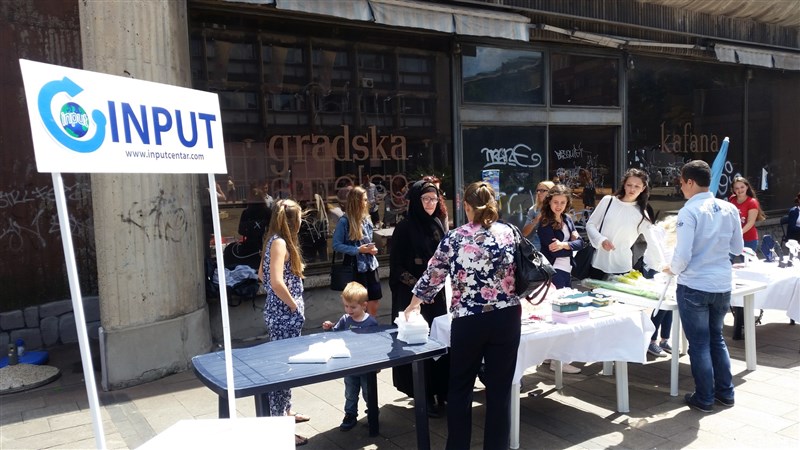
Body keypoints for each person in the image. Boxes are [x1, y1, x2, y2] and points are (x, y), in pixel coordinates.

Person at [404, 181, 521, 450]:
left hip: (469, 319)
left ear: (466, 206)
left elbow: (433, 276)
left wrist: (413, 304)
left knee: (460, 387)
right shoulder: (509, 232)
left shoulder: (456, 237)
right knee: (500, 390)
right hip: (507, 317)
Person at [664, 160, 743, 413]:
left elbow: (683, 255)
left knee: (699, 344)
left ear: (689, 182)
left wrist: (672, 268)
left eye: (681, 182)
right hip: (722, 283)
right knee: (716, 339)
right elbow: (738, 248)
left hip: (695, 284)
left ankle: (705, 397)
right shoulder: (729, 207)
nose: (680, 187)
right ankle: (725, 393)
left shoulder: (689, 211)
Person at [389, 179, 449, 416]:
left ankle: (442, 391)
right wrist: (421, 290)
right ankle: (424, 395)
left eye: (434, 199)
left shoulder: (437, 224)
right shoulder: (404, 228)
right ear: (415, 201)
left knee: (440, 343)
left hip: (438, 295)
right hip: (412, 297)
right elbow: (396, 267)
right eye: (425, 199)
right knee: (419, 346)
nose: (430, 203)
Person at [257, 199, 310, 446]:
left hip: (282, 314)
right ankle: (279, 424)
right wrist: (292, 305)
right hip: (283, 315)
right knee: (281, 370)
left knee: (287, 367)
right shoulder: (279, 243)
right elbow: (276, 281)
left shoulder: (274, 240)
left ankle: (286, 411)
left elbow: (261, 274)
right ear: (294, 220)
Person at [536, 184, 585, 374]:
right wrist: (570, 244)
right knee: (560, 314)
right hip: (555, 271)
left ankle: (552, 356)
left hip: (566, 269)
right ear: (549, 202)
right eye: (555, 202)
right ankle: (559, 361)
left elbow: (581, 243)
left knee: (560, 314)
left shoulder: (567, 219)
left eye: (562, 202)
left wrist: (564, 245)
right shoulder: (545, 222)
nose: (559, 206)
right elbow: (553, 249)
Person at [321, 281, 379, 431]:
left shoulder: (371, 322)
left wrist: (377, 364)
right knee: (350, 392)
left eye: (353, 307)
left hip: (366, 365)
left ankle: (373, 411)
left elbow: (376, 344)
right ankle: (350, 414)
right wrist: (329, 328)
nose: (349, 310)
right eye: (346, 306)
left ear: (364, 305)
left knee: (368, 392)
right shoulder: (345, 319)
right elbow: (335, 334)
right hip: (349, 364)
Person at [585, 168, 655, 280]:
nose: (632, 189)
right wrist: (601, 240)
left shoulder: (642, 214)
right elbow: (590, 224)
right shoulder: (608, 201)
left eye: (637, 186)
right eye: (629, 185)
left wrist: (661, 264)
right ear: (624, 185)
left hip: (622, 266)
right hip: (598, 263)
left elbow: (653, 241)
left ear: (643, 188)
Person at [333, 186, 383, 318]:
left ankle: (371, 326)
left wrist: (372, 249)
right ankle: (359, 328)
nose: (367, 202)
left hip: (370, 265)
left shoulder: (366, 218)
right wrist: (357, 250)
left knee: (374, 300)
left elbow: (367, 240)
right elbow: (336, 245)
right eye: (364, 200)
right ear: (356, 201)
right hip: (355, 266)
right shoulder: (344, 221)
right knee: (357, 303)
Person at [728, 176, 765, 340]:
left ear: (747, 187)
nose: (739, 191)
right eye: (736, 188)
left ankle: (747, 302)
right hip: (732, 238)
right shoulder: (731, 200)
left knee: (747, 269)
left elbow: (750, 223)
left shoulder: (752, 202)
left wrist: (738, 234)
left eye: (742, 187)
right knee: (726, 264)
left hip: (748, 239)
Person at [642, 215, 678, 357]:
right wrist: (665, 267)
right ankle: (651, 341)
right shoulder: (657, 231)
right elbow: (657, 253)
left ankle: (664, 339)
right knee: (662, 306)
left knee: (669, 307)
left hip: (668, 271)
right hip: (656, 269)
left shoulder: (675, 234)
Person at [521, 180, 556, 250]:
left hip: (555, 244)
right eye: (538, 191)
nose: (539, 193)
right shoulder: (534, 209)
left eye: (542, 190)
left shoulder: (557, 207)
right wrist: (536, 220)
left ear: (551, 192)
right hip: (538, 246)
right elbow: (524, 233)